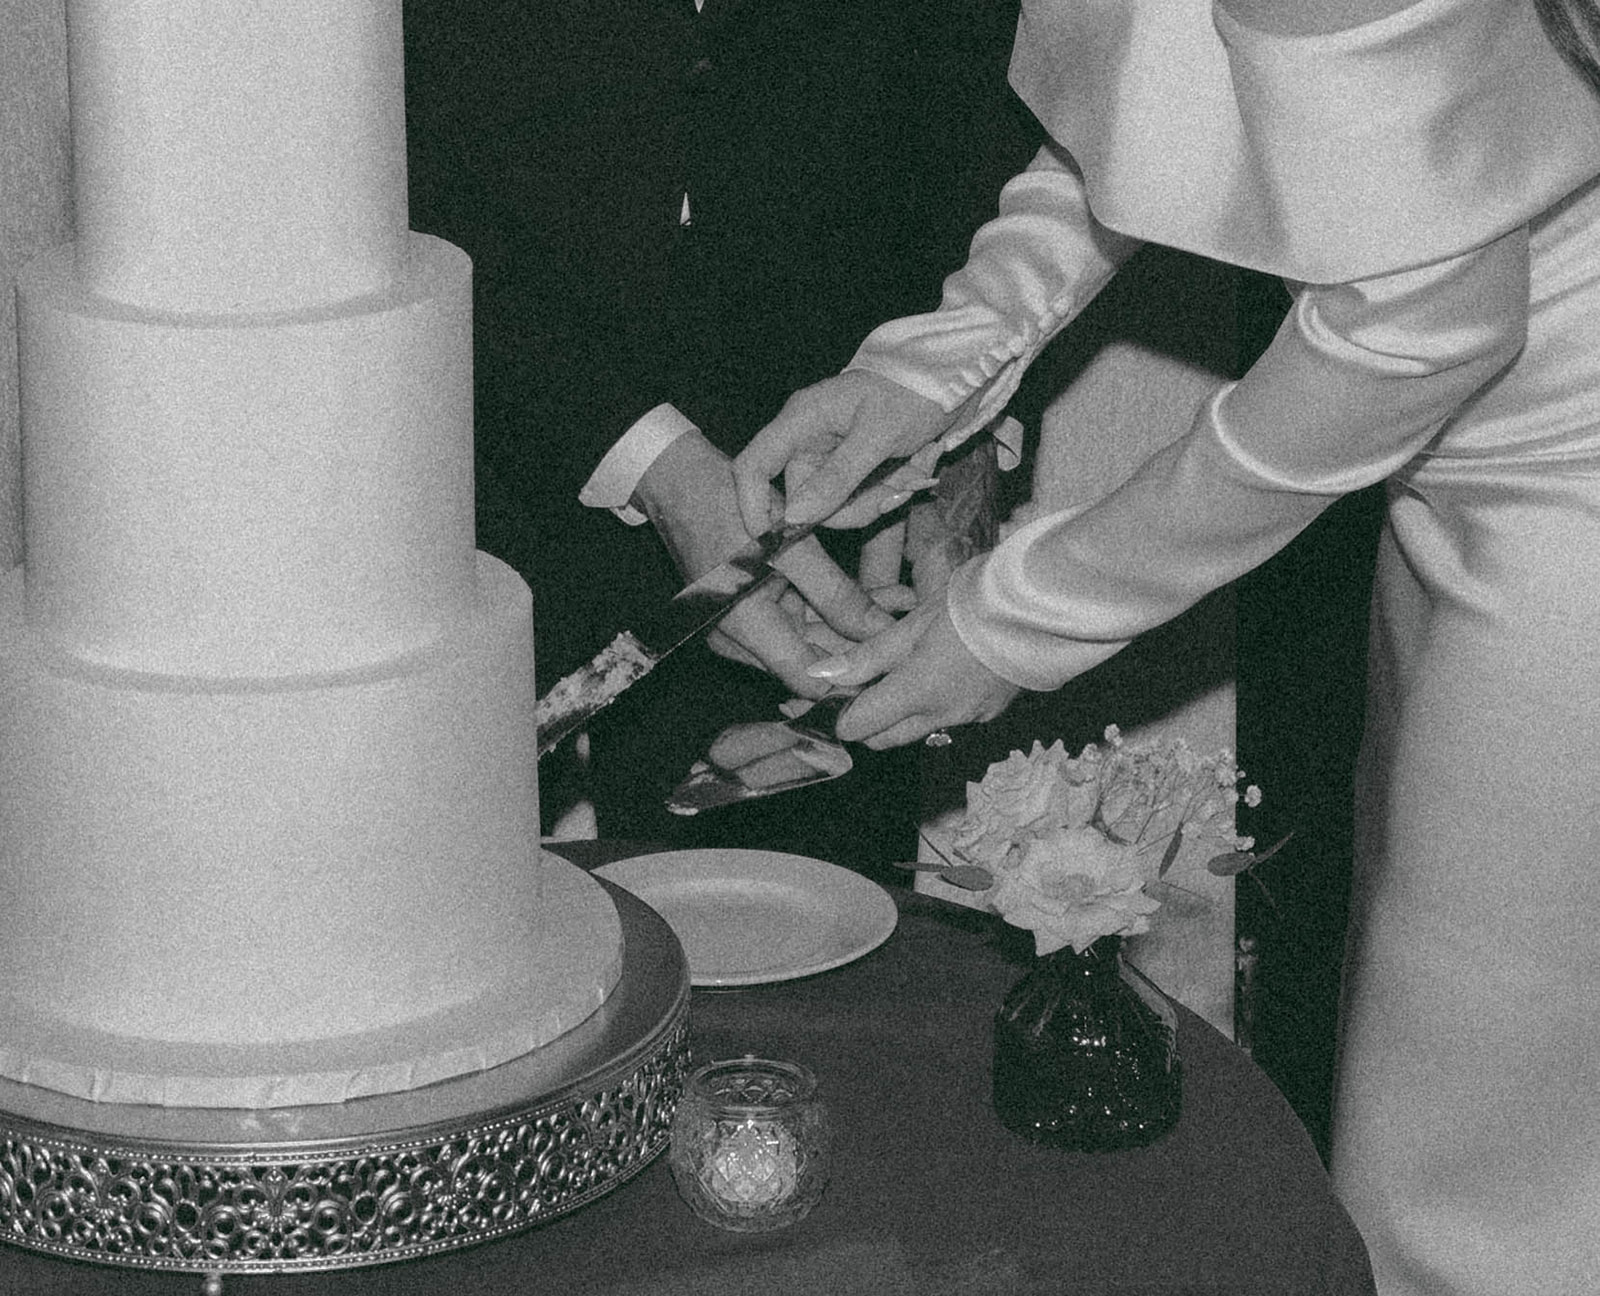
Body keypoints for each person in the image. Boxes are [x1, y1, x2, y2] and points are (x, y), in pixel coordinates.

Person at [728, 1, 1600, 1292]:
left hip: (1559, 451)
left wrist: (1014, 617)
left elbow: (1423, 326)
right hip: (1465, 438)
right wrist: (941, 361)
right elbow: (1170, 87)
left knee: (1472, 1169)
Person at [400, 0, 1039, 860]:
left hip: (832, 518)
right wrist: (653, 463)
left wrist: (955, 481)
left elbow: (991, 152)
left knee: (802, 946)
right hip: (465, 493)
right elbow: (376, 194)